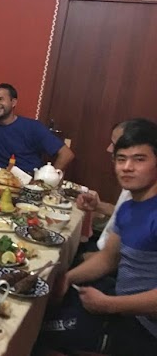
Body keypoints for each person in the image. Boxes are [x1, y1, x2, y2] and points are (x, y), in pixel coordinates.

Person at [47, 118, 157, 355]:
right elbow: (108, 258)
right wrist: (67, 278)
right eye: (121, 159)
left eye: (139, 159)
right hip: (121, 305)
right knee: (44, 314)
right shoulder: (128, 207)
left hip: (145, 330)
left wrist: (108, 305)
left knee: (46, 337)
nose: (127, 167)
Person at [0, 83, 74, 173]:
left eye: (0, 99)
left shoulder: (33, 127)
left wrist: (49, 179)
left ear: (13, 102)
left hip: (29, 182)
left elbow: (66, 154)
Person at [76, 121, 132, 252]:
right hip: (103, 246)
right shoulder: (131, 184)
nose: (109, 149)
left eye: (114, 145)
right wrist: (98, 206)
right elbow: (128, 215)